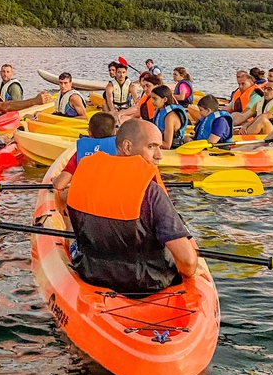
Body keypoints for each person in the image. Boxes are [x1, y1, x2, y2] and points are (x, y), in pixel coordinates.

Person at [65, 120, 200, 296]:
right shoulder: (151, 192)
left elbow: (64, 203)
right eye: (152, 147)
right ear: (127, 147)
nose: (159, 155)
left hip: (91, 275)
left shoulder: (82, 178)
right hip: (148, 283)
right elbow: (188, 264)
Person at [52, 112, 118, 201]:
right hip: (112, 197)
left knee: (63, 196)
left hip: (86, 201)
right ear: (114, 132)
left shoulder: (81, 152)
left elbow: (59, 185)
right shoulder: (121, 151)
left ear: (89, 133)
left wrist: (54, 180)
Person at [150, 85, 188, 149]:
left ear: (164, 99)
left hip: (172, 148)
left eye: (155, 99)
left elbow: (167, 145)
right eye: (152, 98)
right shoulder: (159, 111)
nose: (152, 101)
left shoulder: (170, 117)